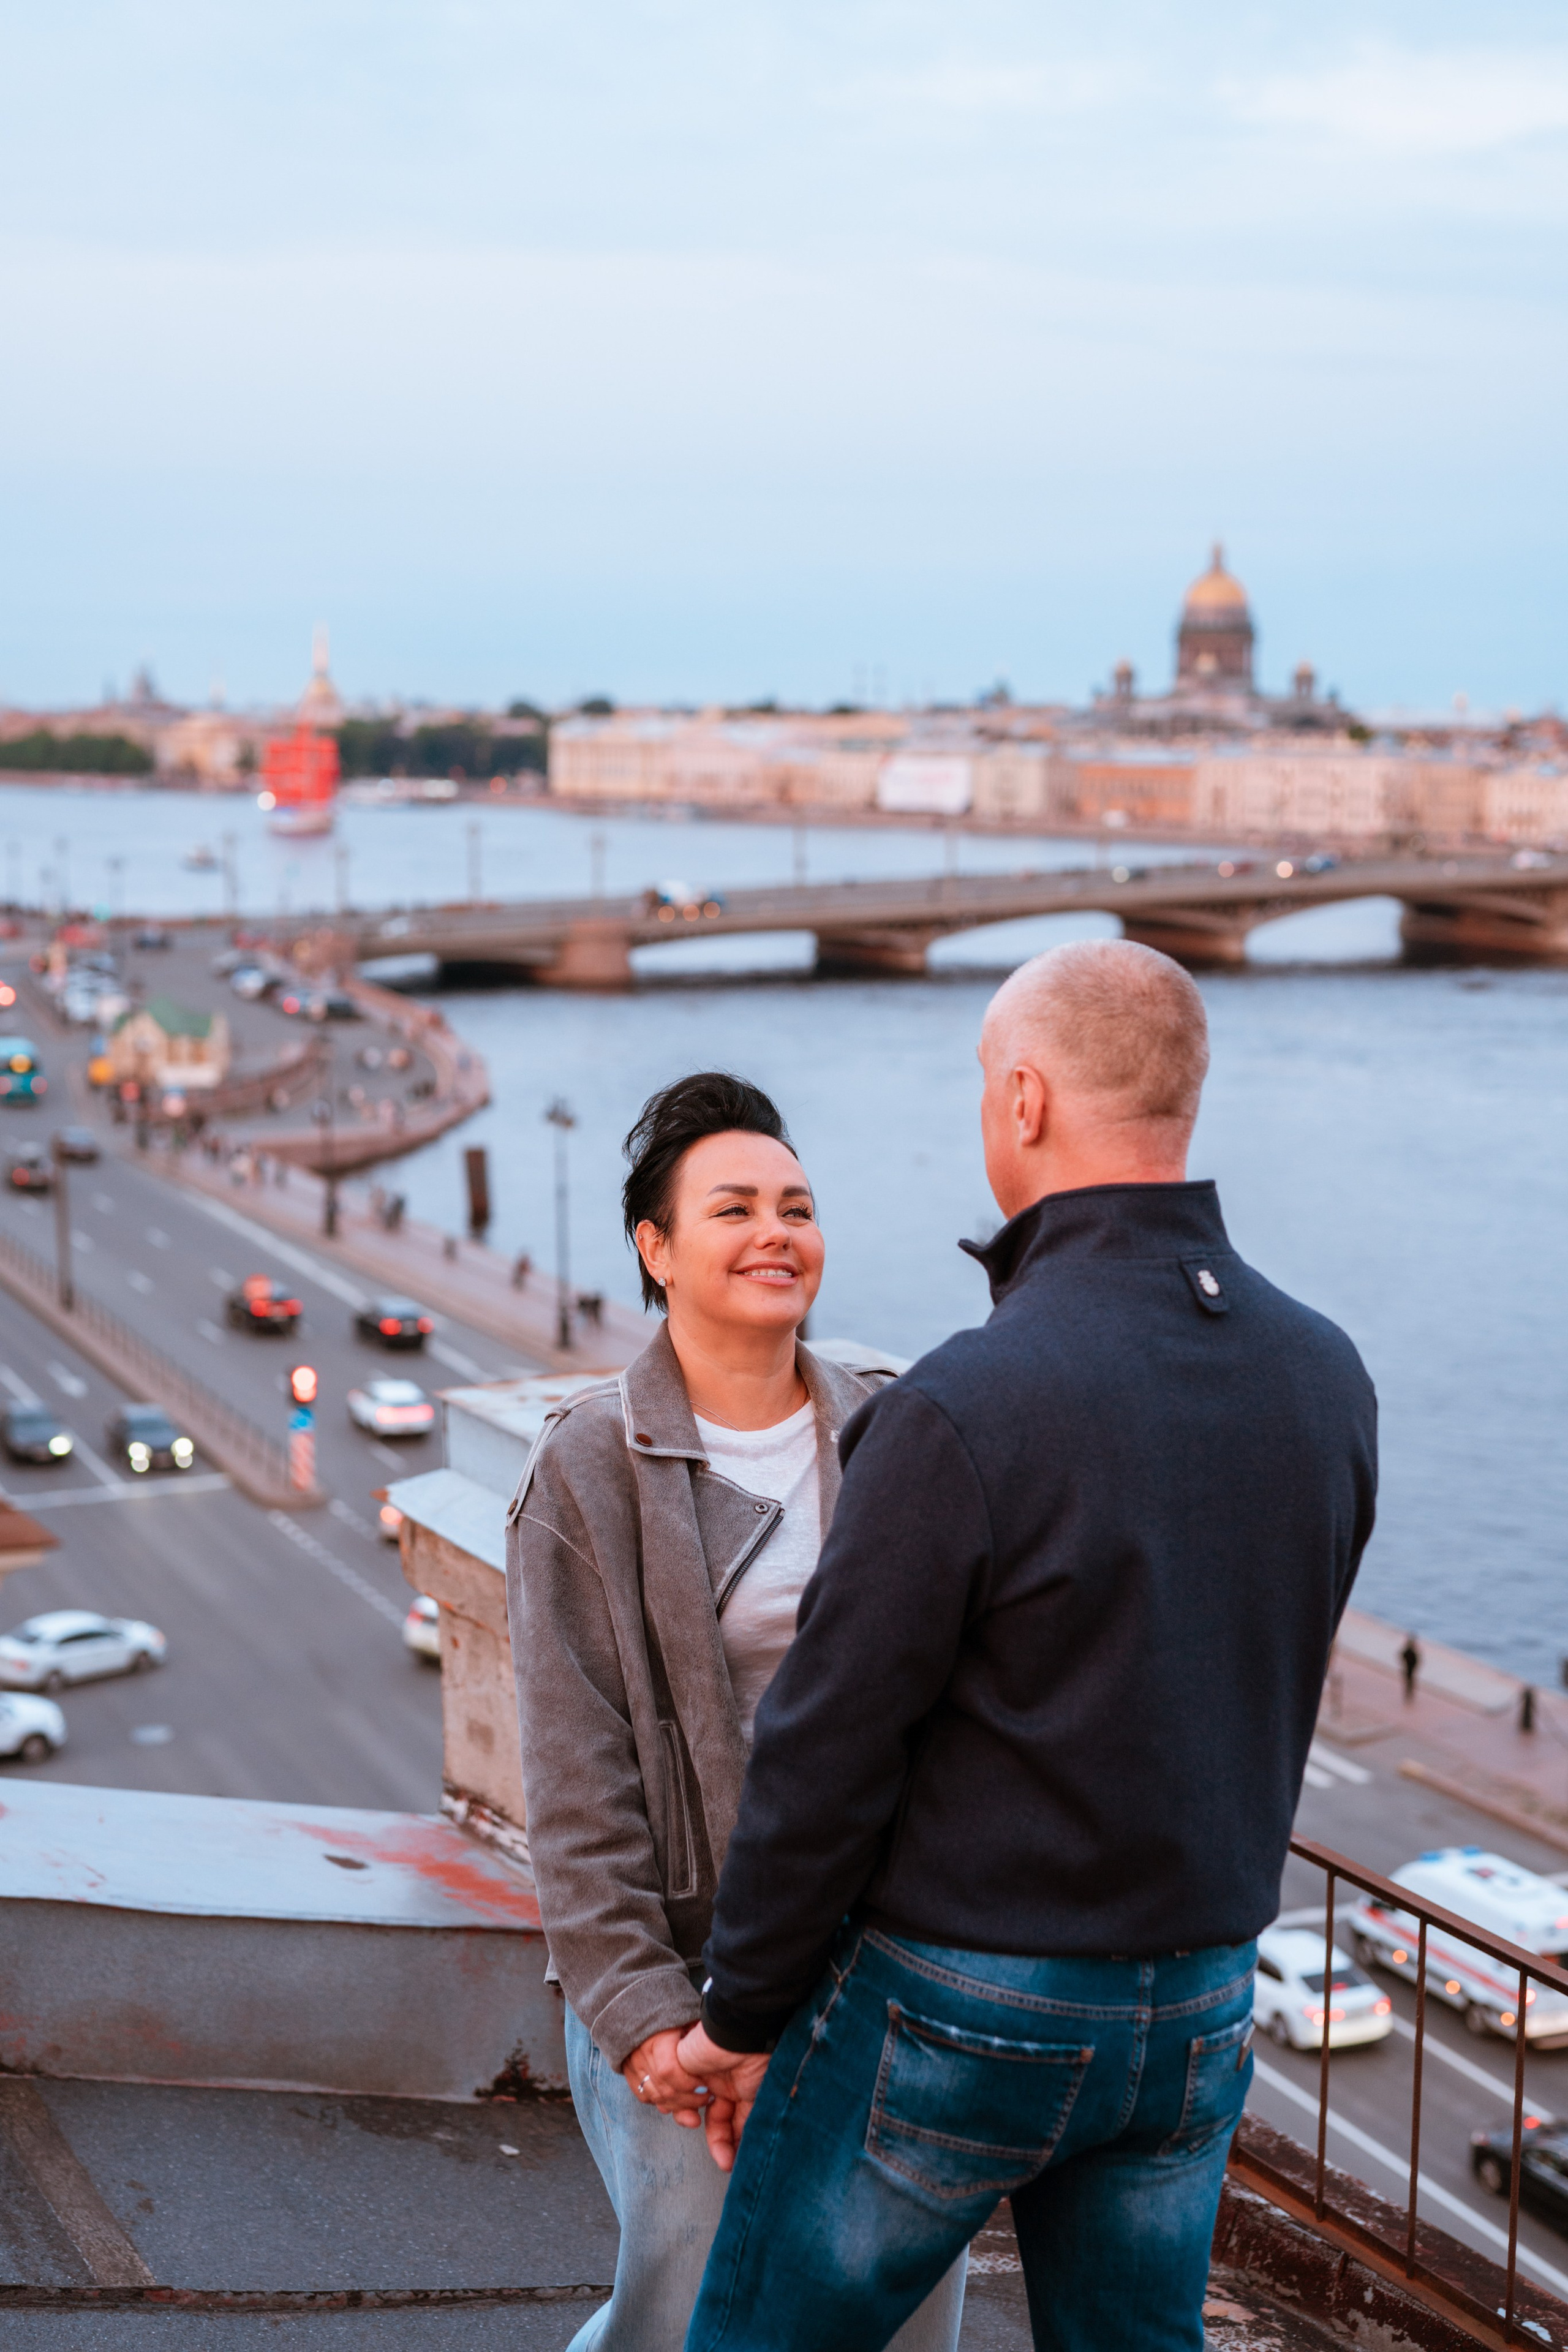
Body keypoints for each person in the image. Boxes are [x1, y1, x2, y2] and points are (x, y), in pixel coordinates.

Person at [678, 940, 1379, 2352]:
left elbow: (828, 1746)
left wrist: (739, 2014)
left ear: (1022, 1100)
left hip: (960, 2002)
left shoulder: (964, 1405)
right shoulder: (1324, 1374)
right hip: (1196, 2003)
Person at [505, 1071, 967, 2352]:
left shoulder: (892, 1422)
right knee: (687, 2314)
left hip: (879, 1975)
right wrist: (653, 2021)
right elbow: (573, 1775)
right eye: (734, 1208)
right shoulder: (586, 1465)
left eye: (796, 1205)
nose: (777, 1231)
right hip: (689, 1981)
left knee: (898, 2310)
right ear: (653, 1250)